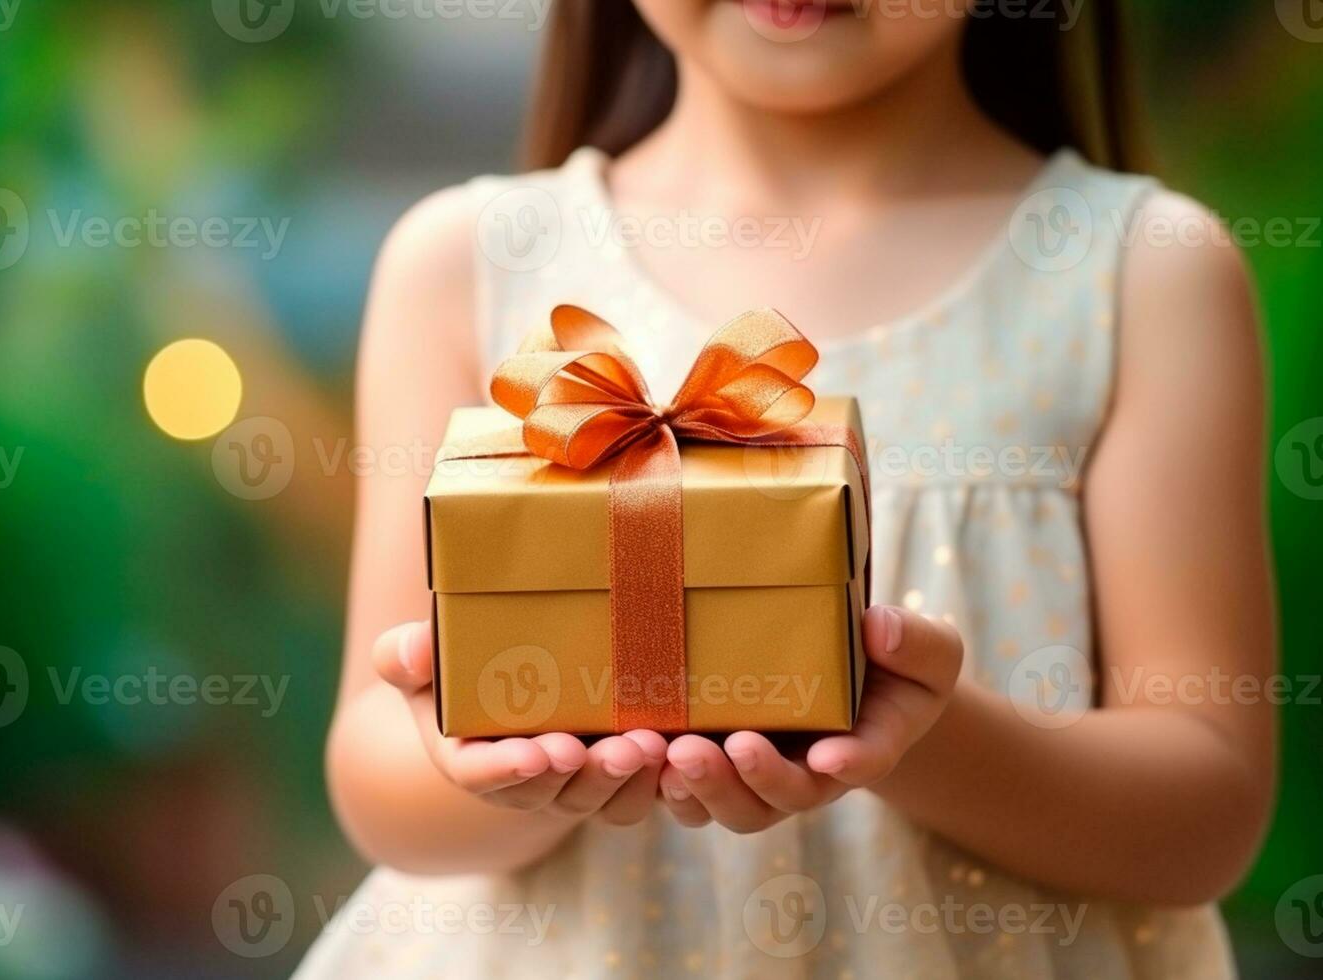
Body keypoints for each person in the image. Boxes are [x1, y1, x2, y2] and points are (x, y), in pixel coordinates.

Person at [302, 2, 1274, 976]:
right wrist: (509, 770)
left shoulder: (1142, 272)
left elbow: (1206, 811)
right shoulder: (468, 259)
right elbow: (375, 770)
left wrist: (915, 736)